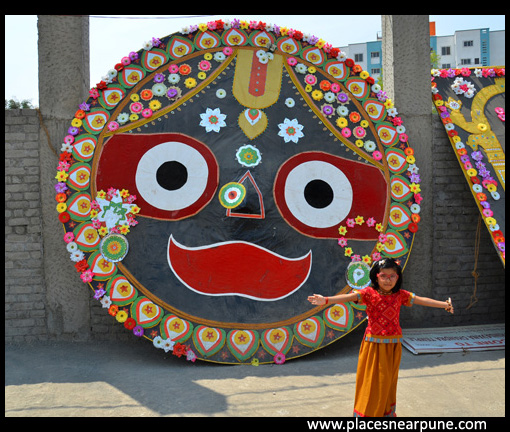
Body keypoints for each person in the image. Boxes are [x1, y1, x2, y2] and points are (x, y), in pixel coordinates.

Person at [307, 257, 454, 417]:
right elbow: (348, 297)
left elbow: (421, 300)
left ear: (398, 277)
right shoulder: (368, 294)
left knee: (388, 380)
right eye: (384, 276)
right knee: (372, 379)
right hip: (373, 344)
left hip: (393, 344)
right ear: (376, 276)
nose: (388, 280)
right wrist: (326, 300)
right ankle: (367, 413)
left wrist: (444, 305)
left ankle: (385, 412)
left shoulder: (401, 295)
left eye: (392, 276)